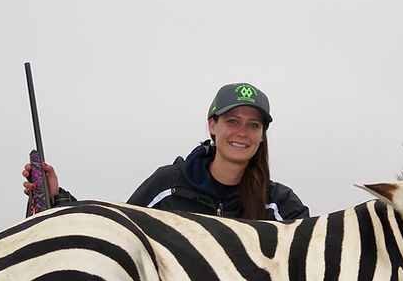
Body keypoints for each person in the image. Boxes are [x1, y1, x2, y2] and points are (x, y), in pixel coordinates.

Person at [23, 82, 309, 221]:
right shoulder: (167, 185)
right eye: (232, 121)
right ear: (212, 125)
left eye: (253, 125)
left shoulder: (279, 204)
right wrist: (58, 197)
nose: (242, 133)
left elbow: (318, 251)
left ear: (262, 135)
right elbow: (117, 229)